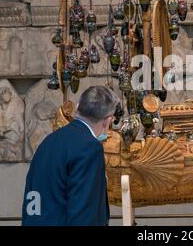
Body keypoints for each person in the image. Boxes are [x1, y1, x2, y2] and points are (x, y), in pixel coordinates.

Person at [22, 86, 120, 226]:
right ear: (108, 121)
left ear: (78, 107)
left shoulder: (48, 141)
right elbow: (85, 211)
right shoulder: (89, 147)